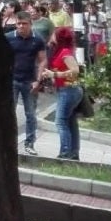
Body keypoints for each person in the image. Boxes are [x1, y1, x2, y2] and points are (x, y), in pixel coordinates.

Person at [8, 12, 47, 156]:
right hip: (12, 80)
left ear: (30, 24)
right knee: (10, 113)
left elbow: (42, 60)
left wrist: (38, 80)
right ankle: (9, 143)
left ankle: (29, 143)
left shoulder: (37, 39)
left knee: (30, 114)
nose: (21, 26)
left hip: (29, 81)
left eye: (24, 24)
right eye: (18, 23)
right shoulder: (9, 38)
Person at [44, 26, 84, 160]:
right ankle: (74, 152)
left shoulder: (65, 52)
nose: (52, 36)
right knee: (71, 121)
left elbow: (75, 70)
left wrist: (55, 74)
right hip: (67, 89)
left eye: (54, 34)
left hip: (69, 90)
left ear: (59, 37)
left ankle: (65, 152)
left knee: (60, 121)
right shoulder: (59, 50)